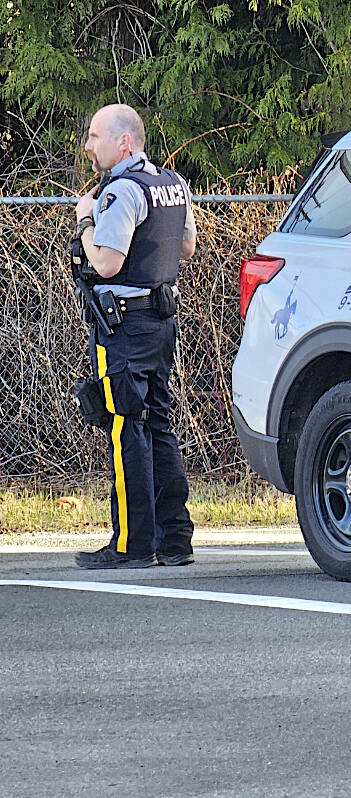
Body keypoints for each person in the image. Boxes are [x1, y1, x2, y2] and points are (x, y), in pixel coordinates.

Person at [72, 104, 197, 569]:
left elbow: (106, 263)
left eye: (94, 136)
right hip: (162, 322)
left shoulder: (121, 192)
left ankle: (131, 544)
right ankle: (175, 540)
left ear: (124, 142)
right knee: (160, 423)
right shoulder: (172, 184)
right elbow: (186, 247)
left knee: (126, 425)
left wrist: (86, 221)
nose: (88, 146)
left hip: (124, 326)